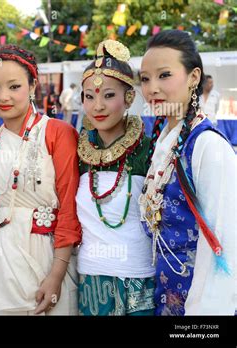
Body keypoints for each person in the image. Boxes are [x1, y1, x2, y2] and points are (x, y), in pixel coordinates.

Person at [0, 44, 81, 315]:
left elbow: (69, 207)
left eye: (14, 86)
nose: (3, 96)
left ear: (33, 86)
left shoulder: (58, 133)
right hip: (3, 263)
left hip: (48, 257)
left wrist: (56, 275)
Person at [139, 30, 236, 315]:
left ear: (194, 77)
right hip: (163, 296)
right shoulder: (163, 140)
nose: (152, 88)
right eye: (145, 78)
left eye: (164, 75)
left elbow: (224, 242)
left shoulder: (208, 145)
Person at [76, 40, 155, 316]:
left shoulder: (150, 150)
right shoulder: (75, 152)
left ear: (129, 98)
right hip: (91, 279)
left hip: (140, 275)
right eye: (89, 96)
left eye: (108, 95)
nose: (98, 105)